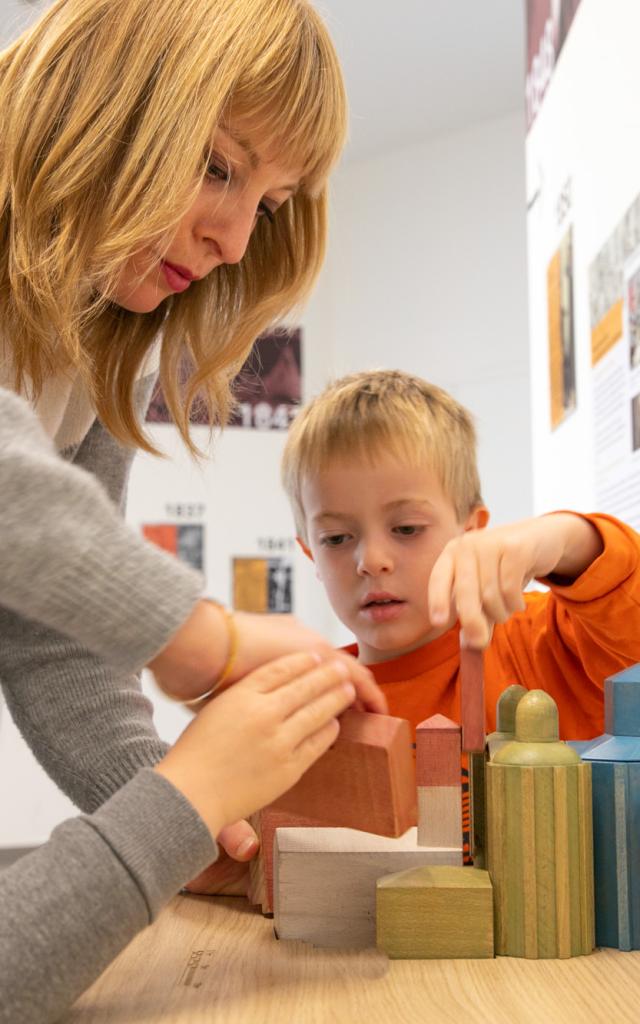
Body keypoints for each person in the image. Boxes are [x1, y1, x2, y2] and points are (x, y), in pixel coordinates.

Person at [0, 2, 387, 1020]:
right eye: (219, 167)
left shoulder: (89, 336)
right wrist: (200, 644)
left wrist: (191, 821)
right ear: (101, 92)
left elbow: (54, 636)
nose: (230, 237)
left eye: (270, 201)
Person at [281, 368, 640, 851]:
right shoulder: (306, 710)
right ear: (310, 555)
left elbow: (625, 604)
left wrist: (558, 537)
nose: (372, 561)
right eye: (337, 539)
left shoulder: (539, 640)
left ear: (473, 530)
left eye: (406, 528)